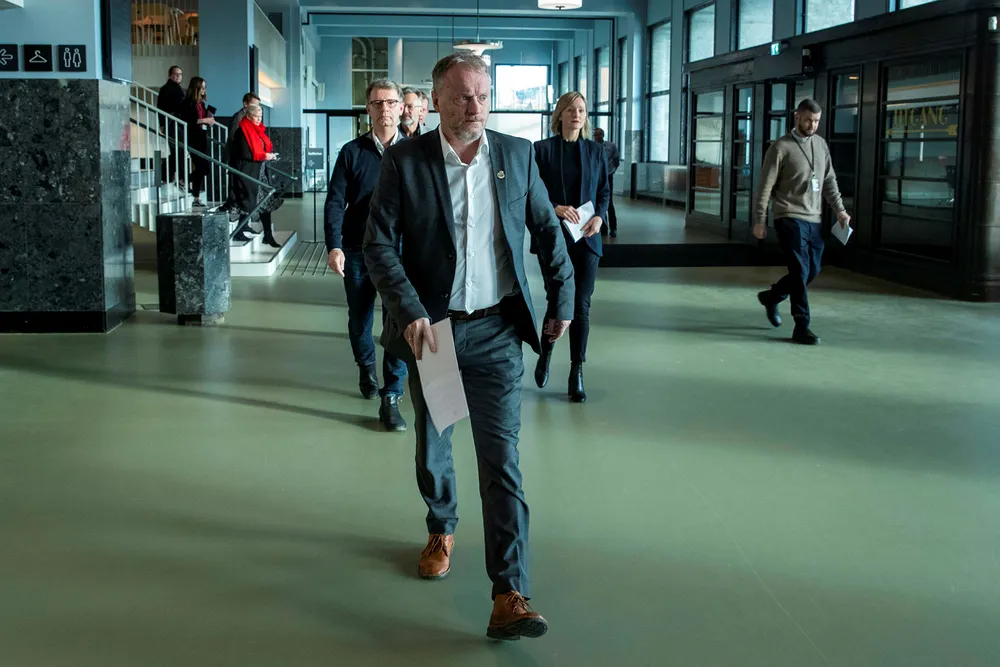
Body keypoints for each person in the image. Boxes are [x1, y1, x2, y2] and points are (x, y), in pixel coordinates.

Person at [364, 52, 574, 641]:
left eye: (483, 95)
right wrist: (410, 311)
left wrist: (563, 299)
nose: (475, 106)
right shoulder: (406, 161)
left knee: (501, 461)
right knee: (435, 444)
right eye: (461, 96)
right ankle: (441, 525)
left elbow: (546, 230)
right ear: (435, 101)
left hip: (497, 330)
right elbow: (378, 245)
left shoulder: (516, 155)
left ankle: (509, 593)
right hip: (435, 332)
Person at [324, 79, 409, 431]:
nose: (384, 109)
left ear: (401, 107)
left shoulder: (415, 151)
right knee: (360, 318)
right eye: (377, 103)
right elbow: (335, 202)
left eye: (390, 102)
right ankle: (366, 367)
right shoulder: (351, 152)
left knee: (399, 320)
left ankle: (392, 392)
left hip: (401, 252)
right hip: (358, 249)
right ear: (368, 109)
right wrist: (334, 245)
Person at [753, 98, 851, 345]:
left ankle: (773, 296)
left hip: (813, 218)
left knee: (812, 269)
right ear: (797, 117)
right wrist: (760, 218)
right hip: (788, 216)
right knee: (799, 270)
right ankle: (801, 326)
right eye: (808, 120)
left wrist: (840, 210)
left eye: (816, 121)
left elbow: (828, 181)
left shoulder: (821, 145)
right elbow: (765, 186)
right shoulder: (780, 147)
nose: (812, 125)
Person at [532, 92, 609, 403]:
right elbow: (533, 193)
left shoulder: (596, 151)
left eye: (581, 110)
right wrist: (556, 208)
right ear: (560, 115)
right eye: (570, 109)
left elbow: (603, 192)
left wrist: (600, 217)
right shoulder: (542, 150)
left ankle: (577, 370)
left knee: (581, 305)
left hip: (587, 237)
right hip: (554, 238)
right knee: (556, 301)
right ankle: (546, 353)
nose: (576, 114)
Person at [228, 104, 283, 247]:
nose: (259, 119)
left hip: (260, 171)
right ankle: (239, 231)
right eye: (256, 116)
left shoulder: (259, 131)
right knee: (249, 202)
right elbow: (245, 153)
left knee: (265, 202)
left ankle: (268, 235)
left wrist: (269, 156)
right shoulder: (242, 131)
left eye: (260, 117)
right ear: (248, 116)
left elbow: (262, 149)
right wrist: (265, 156)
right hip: (249, 172)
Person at [178, 77, 215, 207]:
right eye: (201, 88)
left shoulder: (201, 103)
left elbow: (201, 119)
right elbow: (189, 120)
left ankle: (196, 197)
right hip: (193, 138)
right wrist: (204, 120)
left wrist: (208, 120)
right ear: (196, 88)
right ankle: (184, 180)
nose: (204, 90)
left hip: (201, 137)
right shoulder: (188, 103)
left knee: (203, 168)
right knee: (202, 168)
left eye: (204, 88)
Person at [156, 66, 186, 183]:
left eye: (180, 74)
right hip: (172, 123)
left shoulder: (177, 89)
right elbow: (161, 107)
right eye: (175, 74)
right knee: (178, 151)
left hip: (177, 123)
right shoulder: (166, 89)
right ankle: (176, 176)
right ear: (170, 75)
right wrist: (162, 124)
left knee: (178, 151)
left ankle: (167, 174)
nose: (178, 76)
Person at [593, 128, 619, 237]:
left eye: (599, 135)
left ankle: (613, 228)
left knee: (609, 201)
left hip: (608, 176)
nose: (597, 137)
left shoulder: (611, 146)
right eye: (595, 135)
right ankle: (603, 226)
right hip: (596, 177)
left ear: (603, 135)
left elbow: (616, 160)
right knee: (598, 201)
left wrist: (612, 171)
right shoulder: (592, 146)